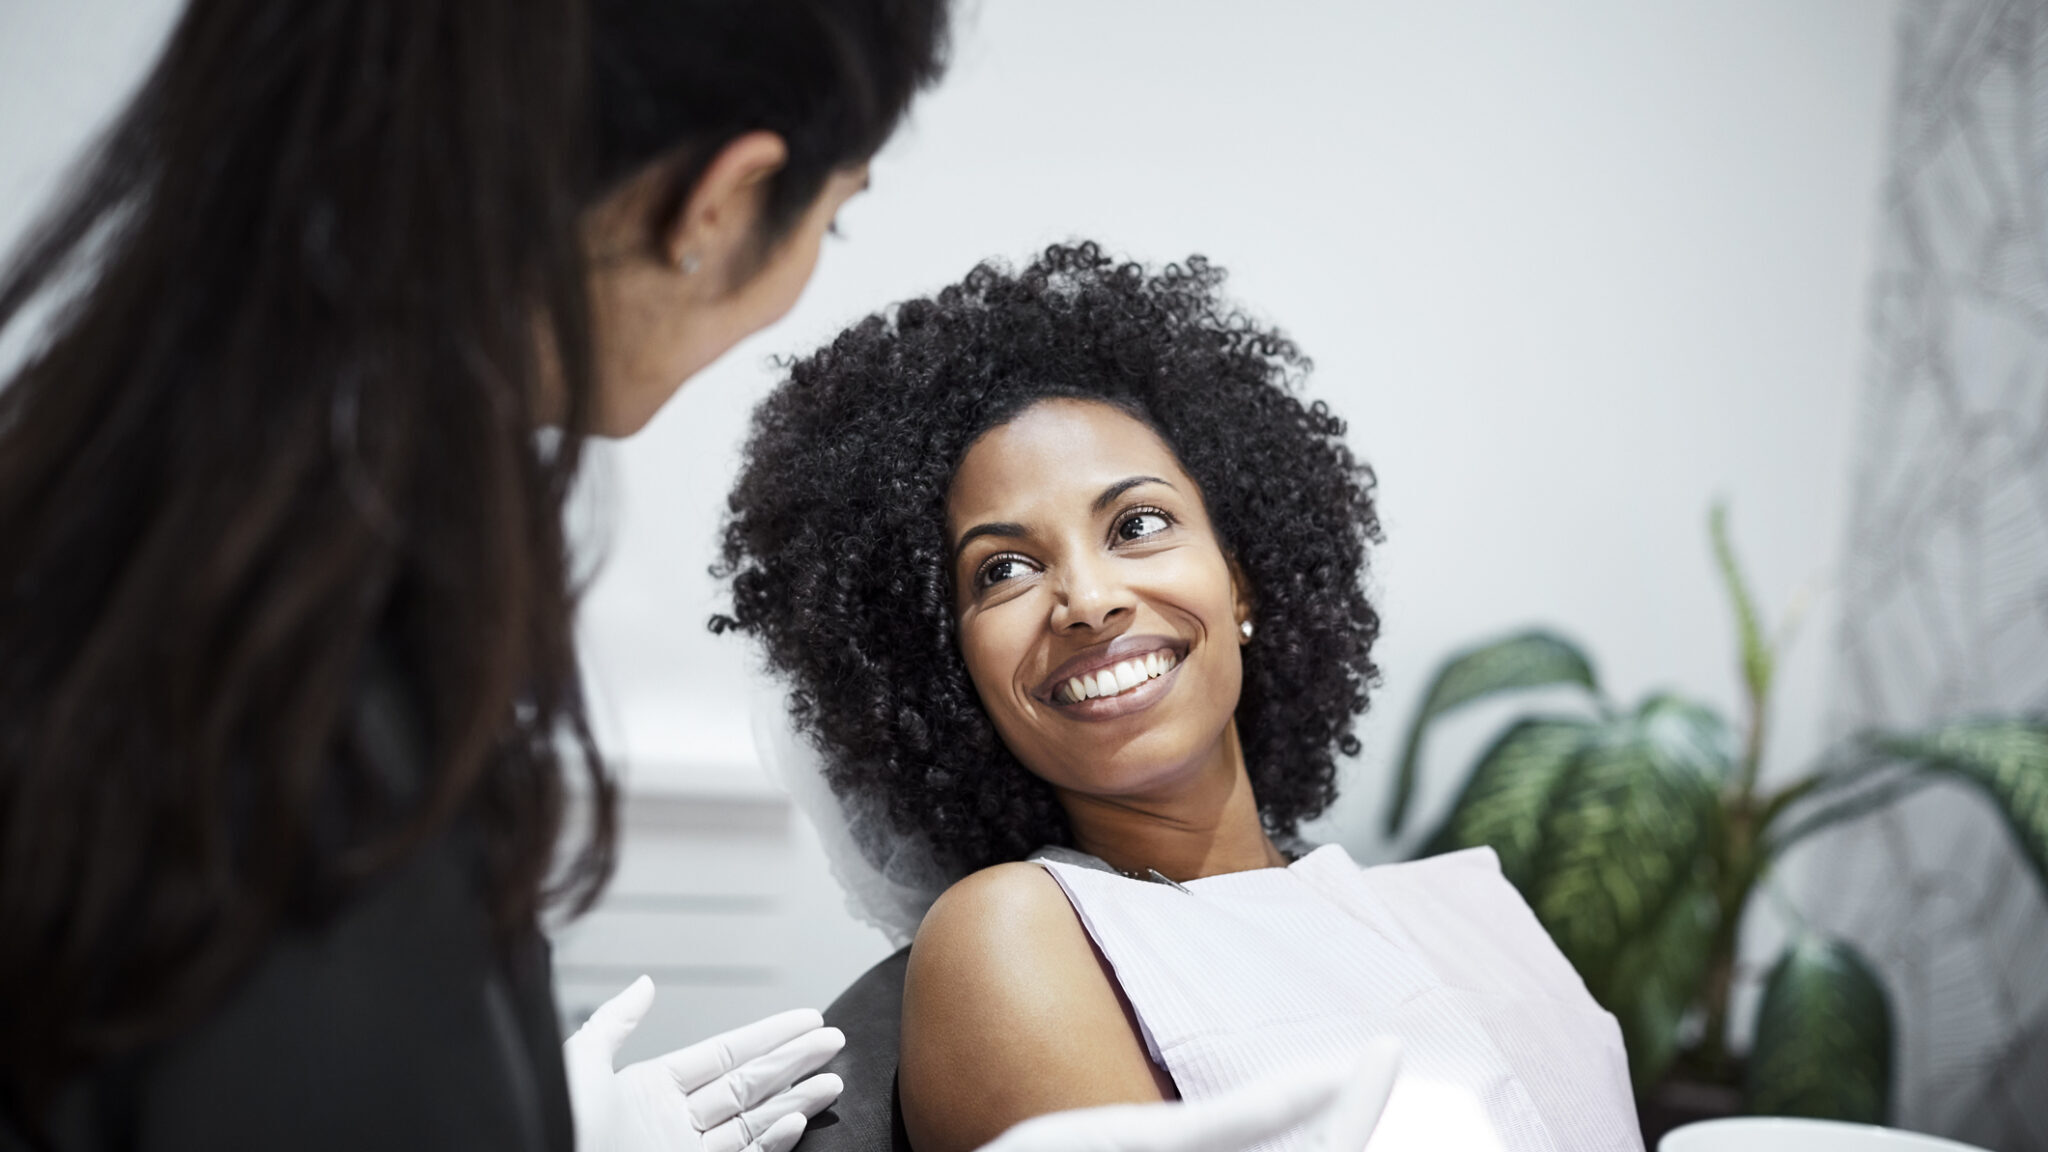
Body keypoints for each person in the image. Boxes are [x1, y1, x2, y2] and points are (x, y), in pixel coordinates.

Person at [0, 2, 1391, 1150]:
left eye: (1140, 523)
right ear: (721, 202)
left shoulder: (162, 545)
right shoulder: (298, 683)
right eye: (832, 216)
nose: (1089, 597)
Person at [714, 243, 1647, 1151]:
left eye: (1138, 523)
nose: (1087, 600)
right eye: (1002, 569)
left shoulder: (1472, 907)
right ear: (946, 669)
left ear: (1241, 582)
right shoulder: (1017, 935)